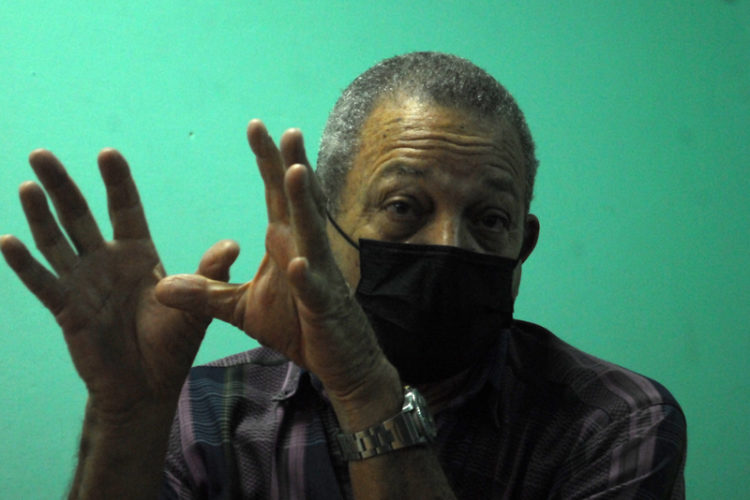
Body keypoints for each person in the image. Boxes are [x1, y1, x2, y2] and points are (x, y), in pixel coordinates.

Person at [1, 52, 686, 499]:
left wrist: (364, 388)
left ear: (523, 247)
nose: (450, 246)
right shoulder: (209, 412)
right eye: (404, 207)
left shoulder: (613, 422)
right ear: (321, 227)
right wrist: (129, 416)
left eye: (490, 219)